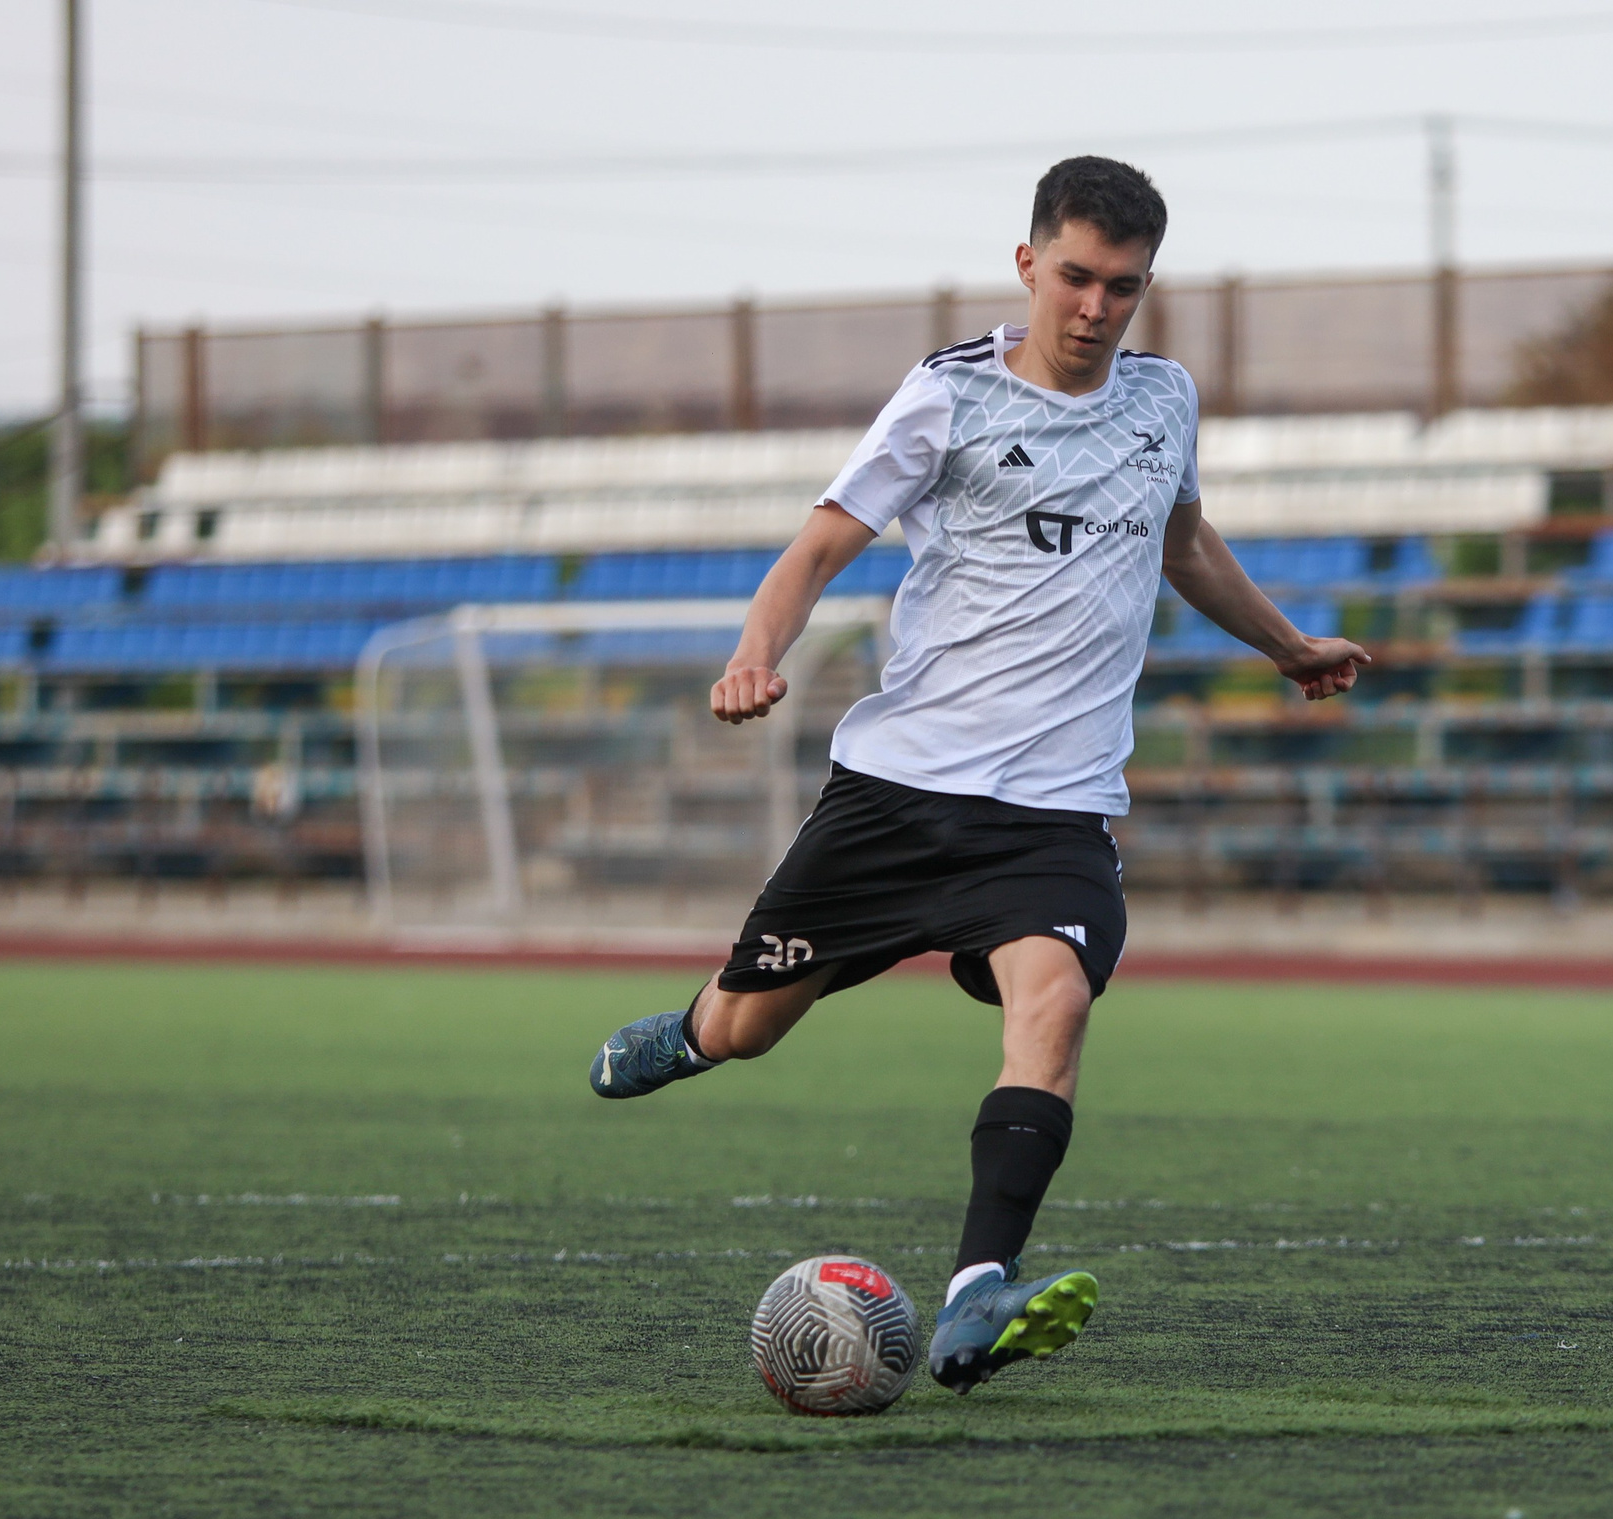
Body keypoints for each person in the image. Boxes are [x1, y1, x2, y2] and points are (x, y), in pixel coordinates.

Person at [587, 156, 1369, 1395]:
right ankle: (692, 1028)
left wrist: (1287, 648)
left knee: (1051, 998)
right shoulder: (946, 400)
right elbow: (819, 547)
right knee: (750, 1025)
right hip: (898, 796)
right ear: (1026, 265)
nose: (1095, 307)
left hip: (1055, 810)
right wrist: (752, 655)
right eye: (1074, 277)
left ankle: (973, 1300)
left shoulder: (1164, 402)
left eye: (1122, 286)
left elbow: (1183, 541)